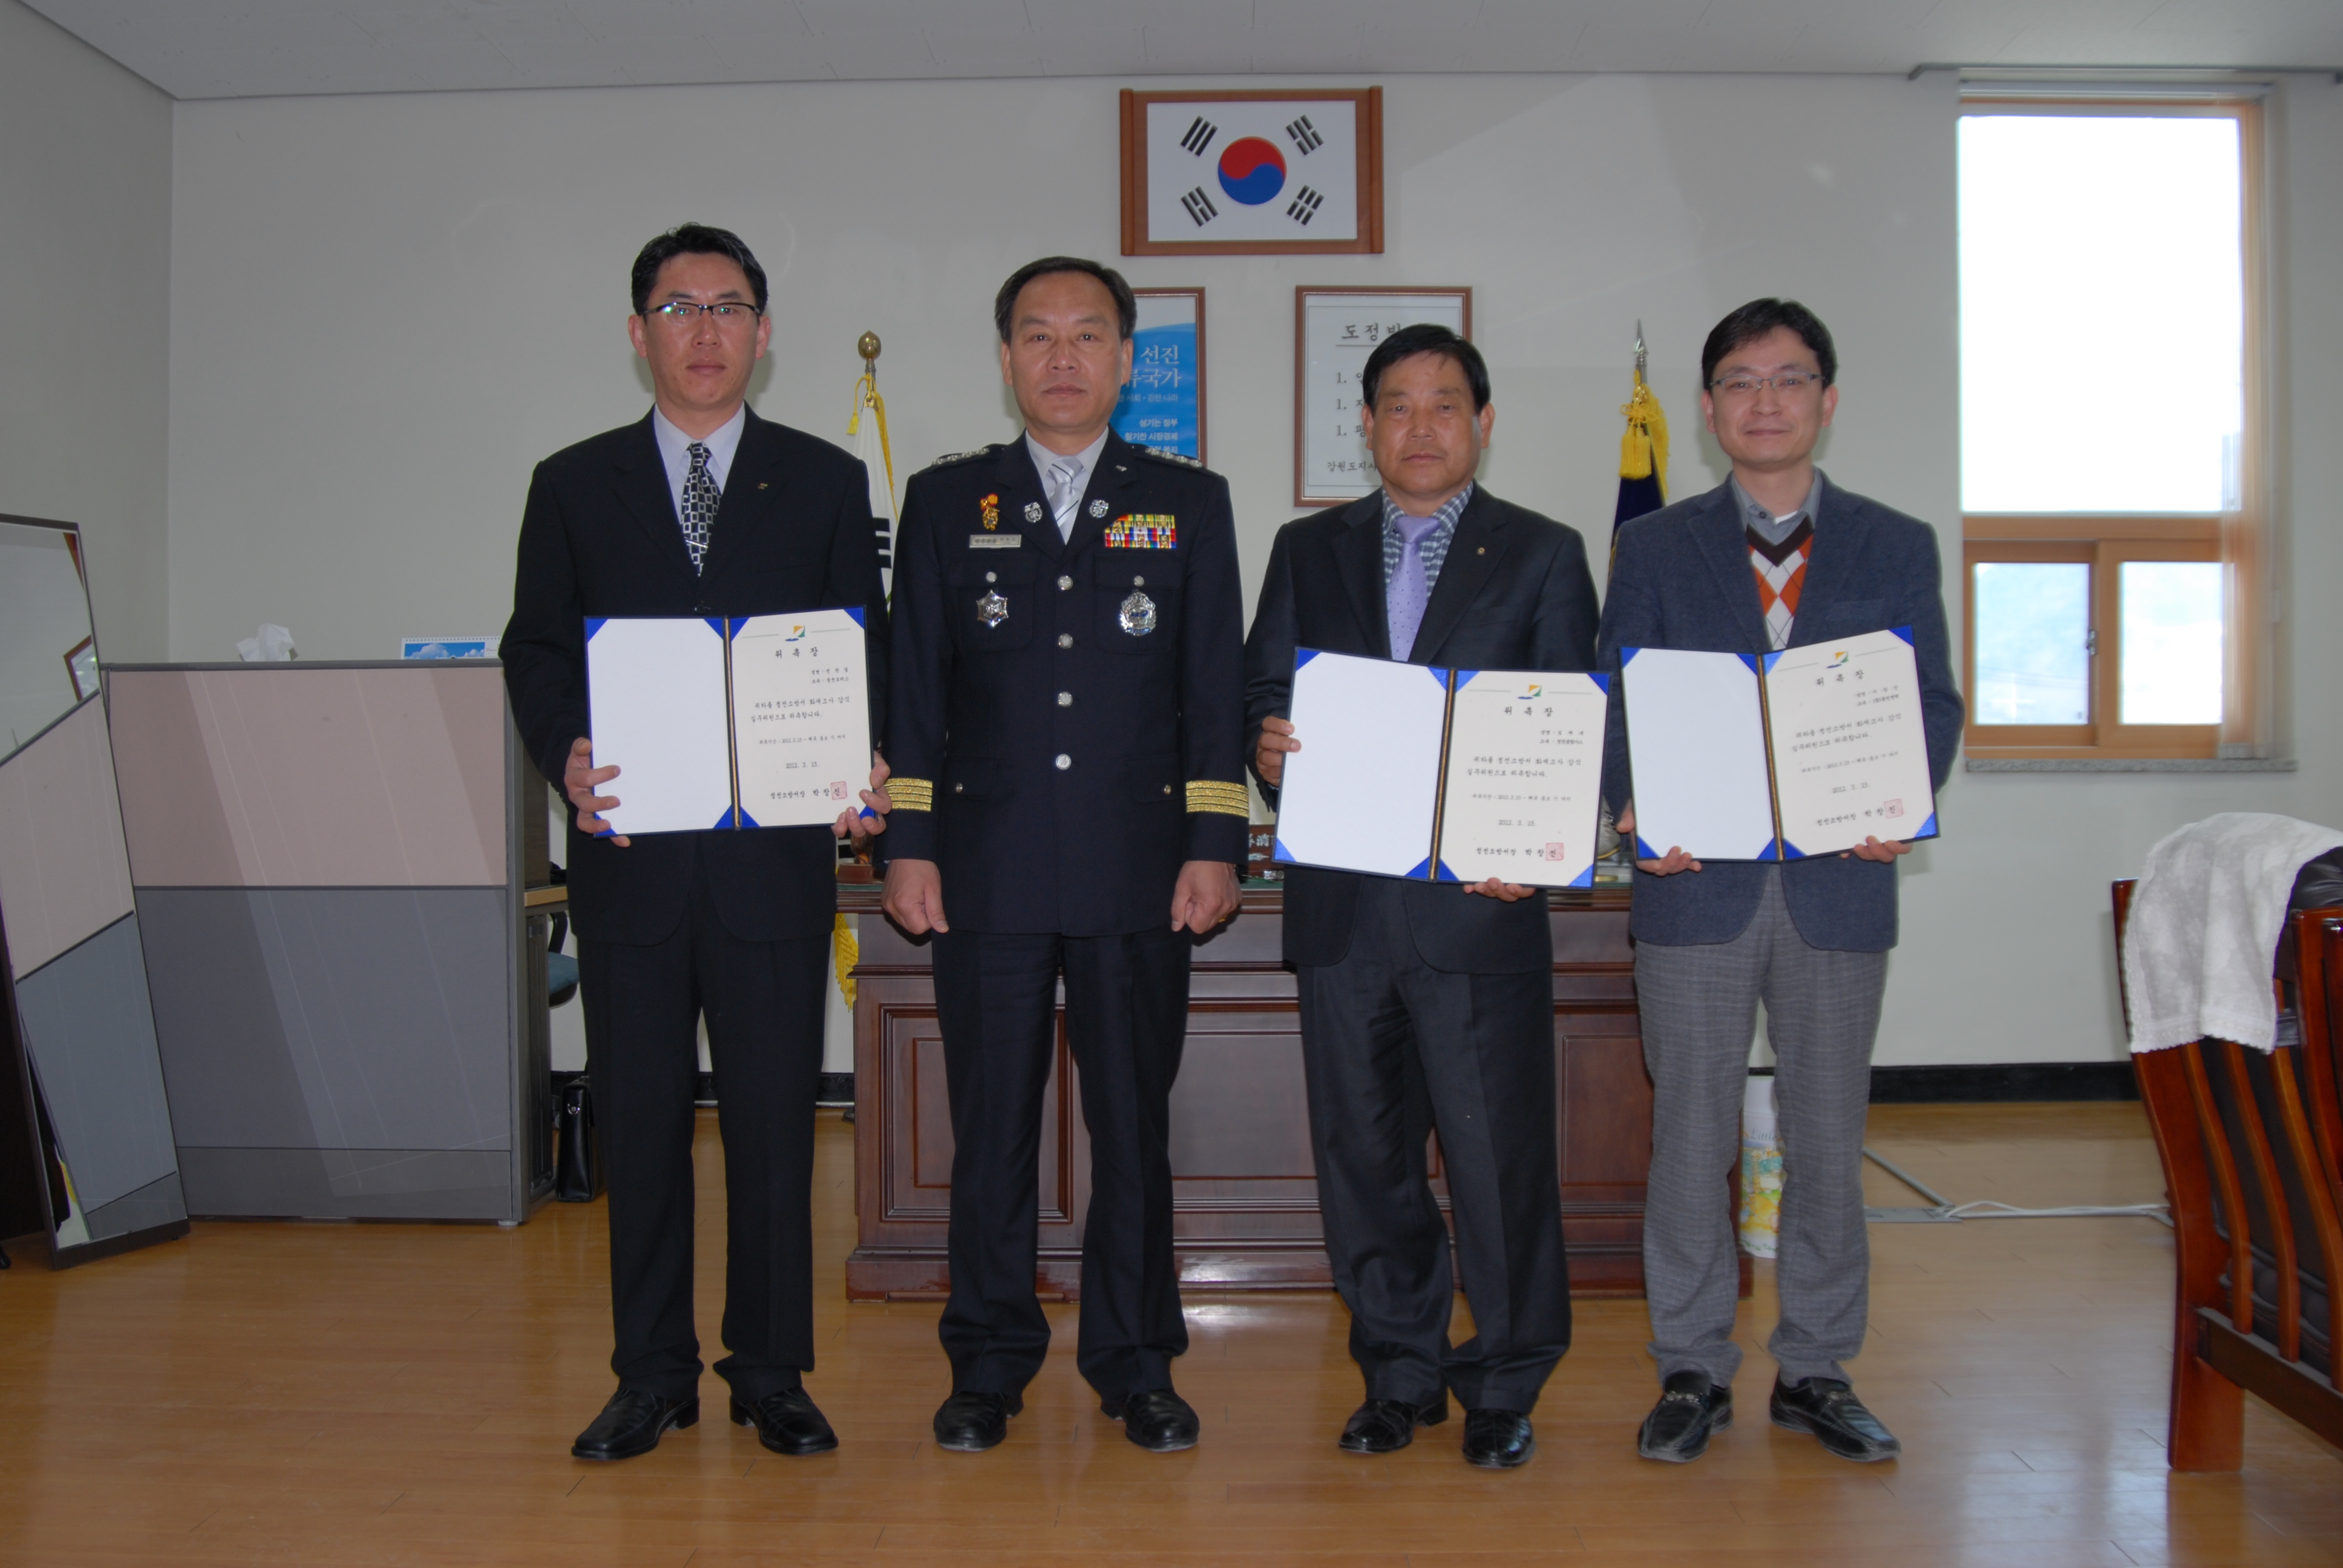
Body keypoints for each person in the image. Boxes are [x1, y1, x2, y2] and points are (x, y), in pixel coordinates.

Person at [502, 223, 890, 1463]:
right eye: (679, 308)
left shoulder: (824, 481)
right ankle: (652, 1374)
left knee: (774, 1129)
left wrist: (859, 762)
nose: (705, 331)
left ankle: (770, 1372)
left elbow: (861, 647)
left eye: (729, 308)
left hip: (771, 865)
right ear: (639, 334)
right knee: (644, 1124)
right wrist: (564, 751)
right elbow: (536, 649)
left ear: (763, 334)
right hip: (631, 865)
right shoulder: (573, 483)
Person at [879, 256, 1248, 1455]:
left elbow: (1213, 690)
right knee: (991, 1128)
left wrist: (1213, 842)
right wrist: (909, 843)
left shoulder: (1188, 502)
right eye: (1036, 335)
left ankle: (1136, 1362)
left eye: (1088, 334)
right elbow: (913, 689)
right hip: (982, 870)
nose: (1062, 357)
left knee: (1130, 1129)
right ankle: (987, 1362)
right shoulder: (950, 501)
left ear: (1127, 360)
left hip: (1137, 869)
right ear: (1005, 360)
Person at [1598, 299, 1962, 1465]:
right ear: (1708, 410)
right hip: (1694, 886)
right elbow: (1618, 697)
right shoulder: (1656, 547)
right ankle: (1691, 1366)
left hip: (1837, 886)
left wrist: (1898, 799)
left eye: (1790, 379)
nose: (1766, 401)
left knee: (1826, 1133)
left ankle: (1816, 1367)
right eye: (1741, 382)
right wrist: (1631, 809)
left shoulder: (1896, 544)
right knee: (1690, 1136)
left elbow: (1930, 703)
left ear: (1827, 400)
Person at [1244, 324, 1600, 1469]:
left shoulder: (1542, 552)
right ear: (1367, 426)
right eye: (1397, 405)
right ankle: (1398, 1374)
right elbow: (1263, 687)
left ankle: (1504, 1379)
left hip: (1480, 906)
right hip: (1344, 907)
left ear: (1484, 423)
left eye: (1446, 404)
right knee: (1366, 1157)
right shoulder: (1308, 548)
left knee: (1499, 1164)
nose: (1422, 425)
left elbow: (1573, 717)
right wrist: (1267, 743)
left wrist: (1537, 842)